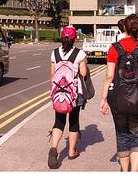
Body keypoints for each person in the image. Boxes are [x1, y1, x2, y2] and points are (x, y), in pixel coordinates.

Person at [100, 14, 138, 172]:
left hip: (117, 100)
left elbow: (109, 76)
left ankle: (125, 172)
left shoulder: (114, 48)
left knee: (122, 134)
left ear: (124, 28)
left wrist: (103, 99)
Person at [48, 26, 88, 169]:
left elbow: (52, 75)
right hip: (74, 93)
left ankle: (54, 148)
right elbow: (83, 73)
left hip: (59, 93)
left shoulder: (54, 53)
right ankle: (71, 151)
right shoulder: (79, 53)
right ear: (75, 38)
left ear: (61, 37)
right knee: (73, 121)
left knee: (59, 121)